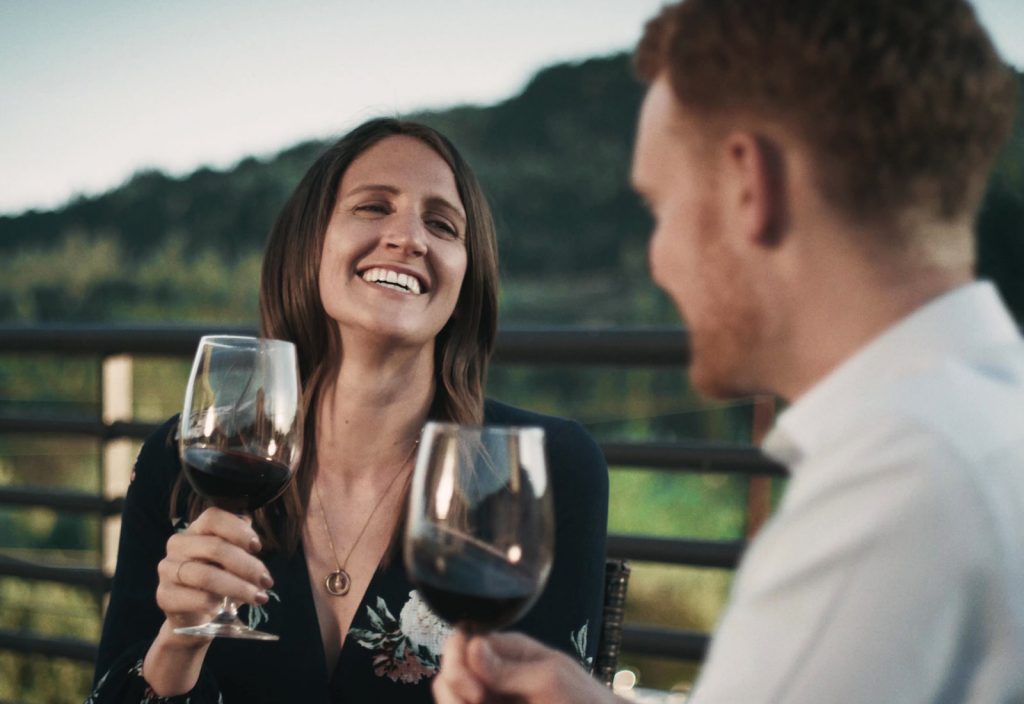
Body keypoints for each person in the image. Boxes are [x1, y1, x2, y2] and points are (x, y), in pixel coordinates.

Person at [433, 0, 1023, 702]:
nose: (656, 260)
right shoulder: (986, 419)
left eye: (660, 206)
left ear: (750, 183)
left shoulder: (890, 496)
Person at [89, 118, 609, 703]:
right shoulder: (181, 459)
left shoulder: (545, 468)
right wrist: (179, 643)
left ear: (468, 277)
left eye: (441, 224)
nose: (408, 237)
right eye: (372, 207)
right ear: (311, 243)